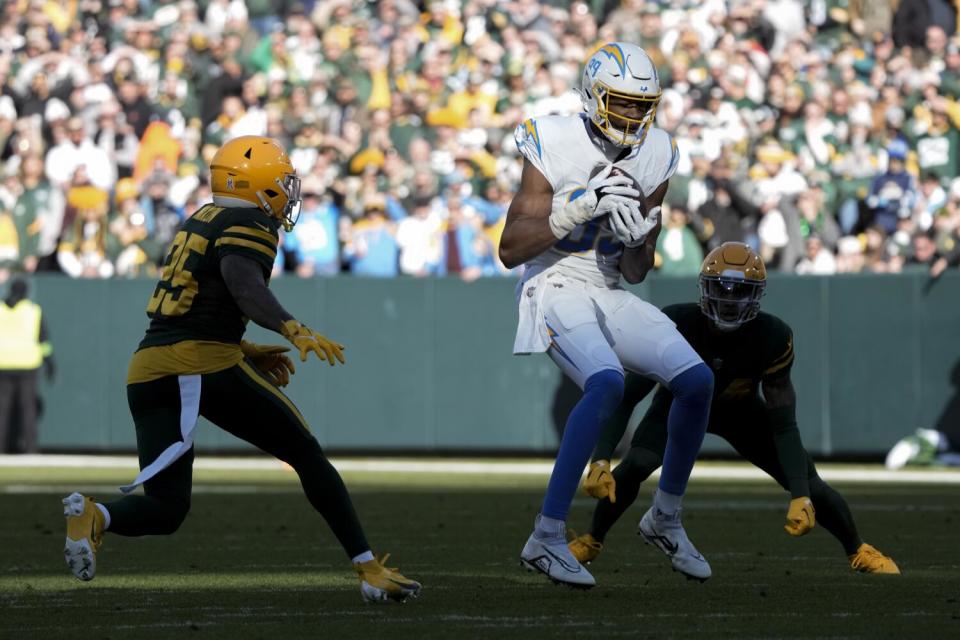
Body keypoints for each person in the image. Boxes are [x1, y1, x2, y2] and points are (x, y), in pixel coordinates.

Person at [61, 136, 421, 603]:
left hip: (148, 368)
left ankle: (96, 516)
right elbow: (241, 284)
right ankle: (368, 569)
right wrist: (291, 327)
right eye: (282, 182)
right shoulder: (249, 220)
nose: (288, 193)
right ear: (258, 185)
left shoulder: (201, 217)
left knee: (167, 509)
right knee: (306, 453)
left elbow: (198, 303)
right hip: (199, 365)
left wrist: (245, 345)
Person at [499, 42, 714, 589]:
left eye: (643, 106)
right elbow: (510, 248)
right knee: (606, 383)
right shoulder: (551, 139)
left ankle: (664, 517)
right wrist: (574, 208)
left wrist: (642, 240)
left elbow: (638, 271)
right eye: (621, 103)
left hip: (608, 284)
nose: (634, 116)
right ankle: (546, 537)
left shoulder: (658, 152)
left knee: (696, 381)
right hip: (552, 282)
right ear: (594, 97)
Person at [568, 242, 900, 575]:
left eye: (740, 291)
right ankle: (591, 539)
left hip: (739, 412)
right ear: (704, 288)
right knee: (637, 463)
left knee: (811, 484)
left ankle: (858, 549)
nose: (728, 301)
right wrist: (601, 456)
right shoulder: (677, 323)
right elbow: (628, 395)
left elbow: (784, 424)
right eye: (720, 289)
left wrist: (800, 494)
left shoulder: (772, 336)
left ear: (757, 295)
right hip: (678, 404)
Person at [0, 277, 55, 453]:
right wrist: (50, 363)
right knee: (28, 409)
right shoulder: (33, 311)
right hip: (28, 365)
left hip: (3, 363)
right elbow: (43, 341)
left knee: (2, 409)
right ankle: (31, 449)